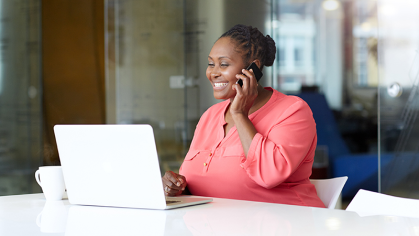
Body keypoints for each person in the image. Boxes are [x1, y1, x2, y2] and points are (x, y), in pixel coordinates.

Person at [162, 24, 325, 208]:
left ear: (252, 68)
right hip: (218, 226)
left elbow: (269, 174)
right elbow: (195, 180)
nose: (214, 73)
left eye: (224, 64)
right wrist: (177, 186)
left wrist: (239, 114)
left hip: (285, 225)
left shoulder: (293, 111)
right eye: (210, 64)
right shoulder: (210, 116)